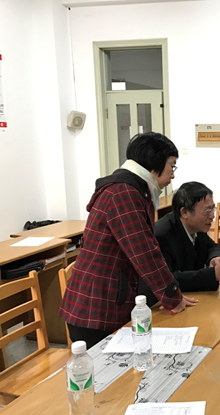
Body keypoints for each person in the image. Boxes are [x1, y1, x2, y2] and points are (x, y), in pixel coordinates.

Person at [59, 132, 197, 349]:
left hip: (109, 300)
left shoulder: (132, 189)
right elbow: (145, 253)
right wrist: (172, 296)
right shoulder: (123, 193)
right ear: (154, 163)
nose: (173, 174)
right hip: (95, 310)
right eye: (171, 165)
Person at [139, 181, 220, 306]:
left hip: (193, 297)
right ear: (185, 212)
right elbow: (167, 279)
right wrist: (212, 274)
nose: (212, 215)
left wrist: (216, 256)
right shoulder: (161, 236)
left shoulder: (197, 226)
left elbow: (211, 245)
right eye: (207, 210)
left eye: (212, 208)